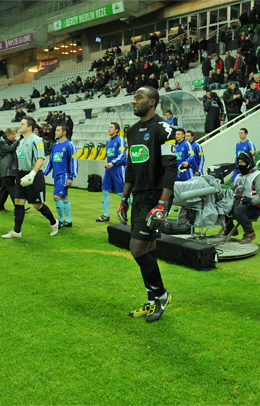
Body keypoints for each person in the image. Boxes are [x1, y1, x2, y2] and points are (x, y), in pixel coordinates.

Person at [119, 86, 177, 323]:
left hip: (156, 197)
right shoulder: (132, 131)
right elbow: (130, 167)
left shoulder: (164, 129)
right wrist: (124, 198)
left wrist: (163, 203)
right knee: (148, 248)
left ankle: (162, 295)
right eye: (134, 97)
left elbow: (171, 168)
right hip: (139, 196)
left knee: (136, 248)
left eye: (139, 97)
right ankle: (152, 301)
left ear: (152, 102)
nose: (134, 101)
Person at [1, 117, 59, 239]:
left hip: (34, 175)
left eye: (22, 124)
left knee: (37, 205)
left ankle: (54, 223)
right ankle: (17, 231)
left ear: (29, 127)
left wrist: (32, 174)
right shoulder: (21, 141)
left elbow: (40, 159)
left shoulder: (36, 140)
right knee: (18, 201)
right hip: (22, 174)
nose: (20, 126)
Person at [226, 151, 260, 243]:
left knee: (238, 211)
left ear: (248, 162)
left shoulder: (258, 177)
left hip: (254, 207)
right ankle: (230, 229)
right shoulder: (239, 175)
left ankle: (250, 233)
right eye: (239, 162)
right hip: (240, 203)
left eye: (242, 162)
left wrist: (248, 200)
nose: (240, 164)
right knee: (221, 206)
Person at [43, 124, 78, 228]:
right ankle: (68, 221)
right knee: (64, 197)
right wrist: (45, 173)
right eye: (56, 130)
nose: (55, 132)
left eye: (58, 130)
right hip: (56, 175)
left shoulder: (70, 145)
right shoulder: (55, 145)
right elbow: (51, 161)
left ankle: (61, 221)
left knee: (56, 196)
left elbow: (74, 161)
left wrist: (71, 177)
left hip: (64, 176)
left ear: (64, 132)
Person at [98, 123, 127, 222]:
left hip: (118, 169)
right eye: (108, 127)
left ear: (117, 130)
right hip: (109, 170)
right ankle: (106, 215)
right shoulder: (108, 141)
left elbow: (122, 155)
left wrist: (113, 163)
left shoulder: (120, 139)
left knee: (122, 193)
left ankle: (138, 211)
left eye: (111, 127)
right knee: (105, 190)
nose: (109, 129)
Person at [0, 128, 21, 214]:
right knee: (12, 188)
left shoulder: (8, 142)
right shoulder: (2, 142)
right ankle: (19, 205)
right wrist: (17, 141)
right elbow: (10, 149)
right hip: (7, 169)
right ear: (8, 135)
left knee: (4, 189)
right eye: (13, 134)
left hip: (9, 169)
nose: (15, 136)